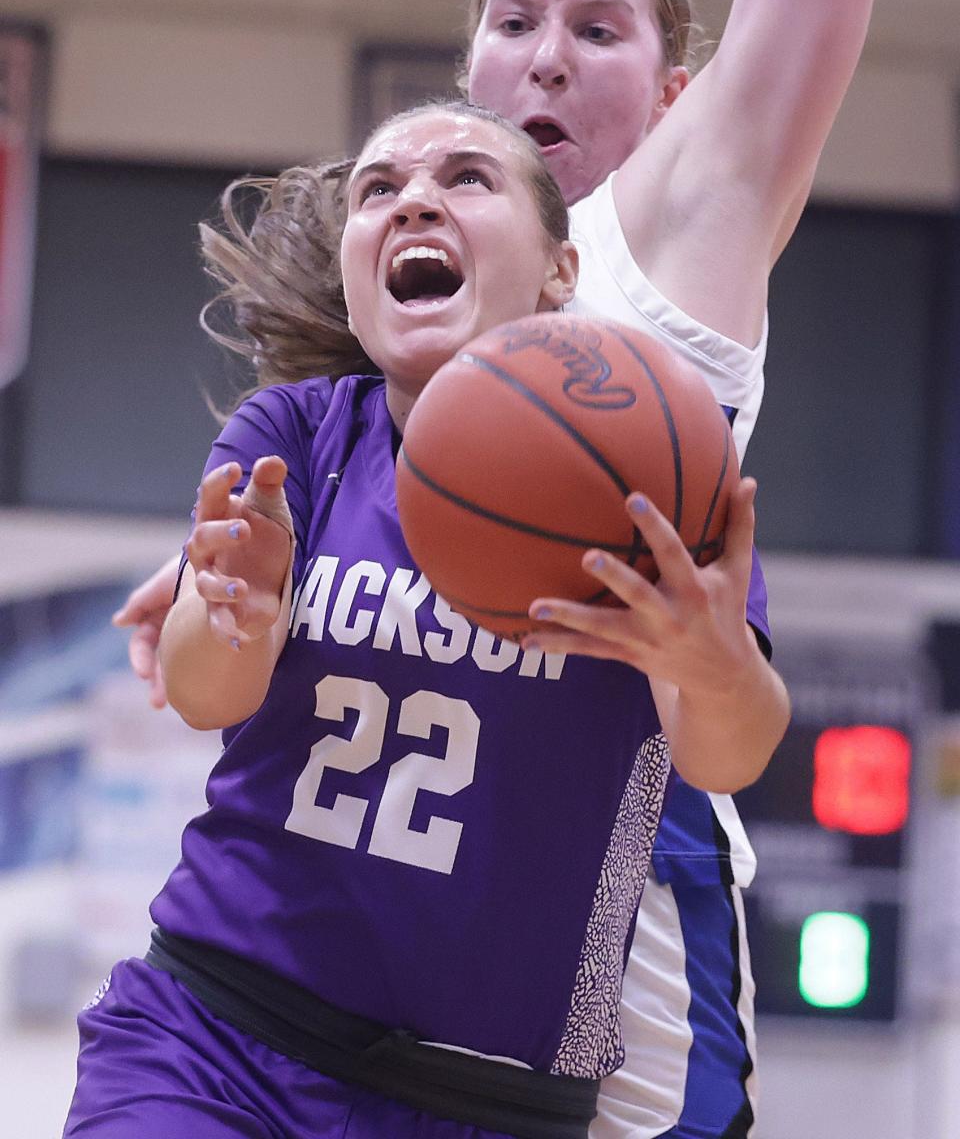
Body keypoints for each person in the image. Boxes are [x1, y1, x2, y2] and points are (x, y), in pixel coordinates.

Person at [112, 0, 917, 1133]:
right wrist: (232, 588)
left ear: (679, 96)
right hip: (299, 962)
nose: (545, 53)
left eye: (599, 31)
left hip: (617, 866)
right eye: (513, 21)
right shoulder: (401, 302)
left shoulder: (658, 244)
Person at [65, 101, 788, 1139]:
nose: (413, 201)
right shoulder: (294, 436)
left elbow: (733, 752)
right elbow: (198, 692)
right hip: (216, 1037)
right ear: (358, 274)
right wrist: (241, 611)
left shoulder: (659, 456)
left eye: (465, 179)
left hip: (487, 1097)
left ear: (559, 270)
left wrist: (711, 665)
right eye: (377, 190)